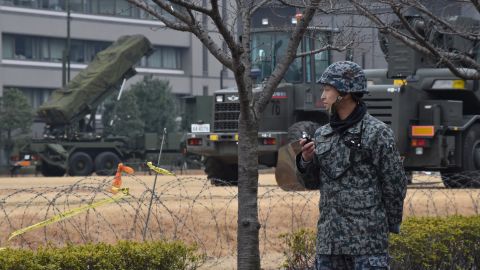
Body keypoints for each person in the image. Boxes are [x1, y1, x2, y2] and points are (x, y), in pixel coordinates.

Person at [296, 61, 407, 269]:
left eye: (328, 89)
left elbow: (395, 185)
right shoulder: (323, 134)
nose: (322, 95)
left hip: (367, 244)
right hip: (329, 245)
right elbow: (312, 183)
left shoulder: (377, 133)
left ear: (345, 92)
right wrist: (306, 160)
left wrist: (389, 224)